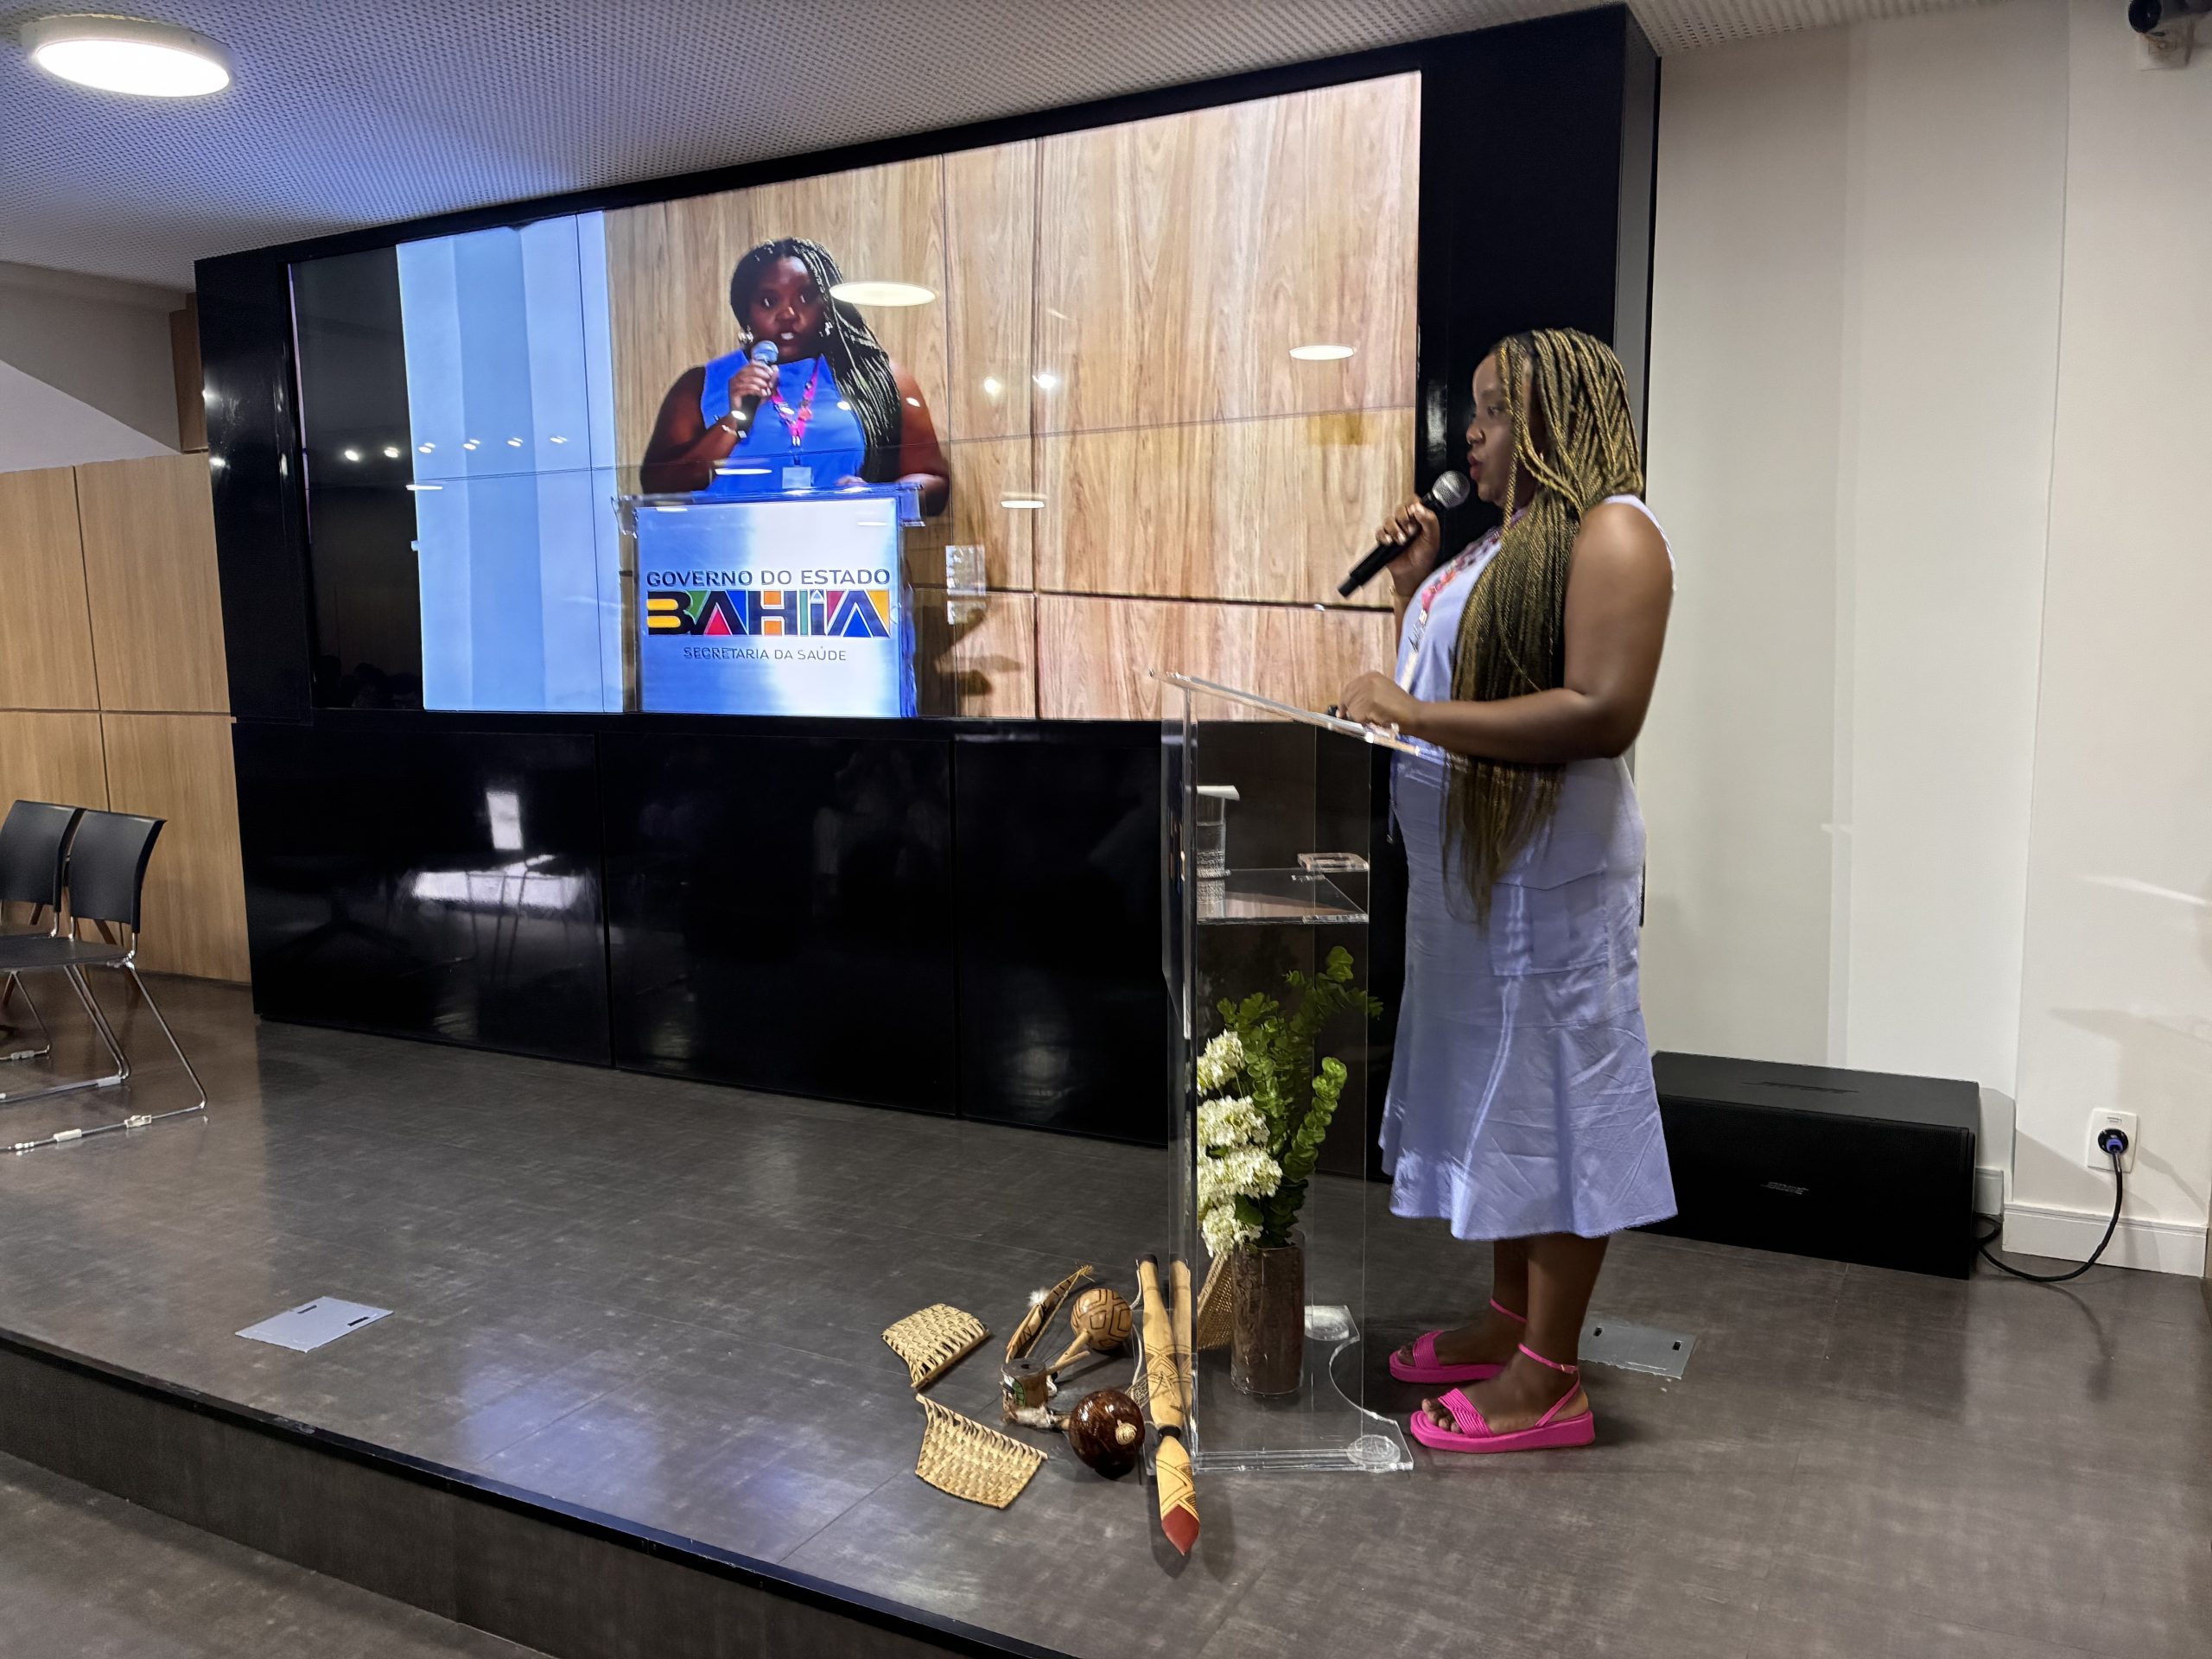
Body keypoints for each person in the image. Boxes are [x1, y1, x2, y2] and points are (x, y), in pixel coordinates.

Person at [1337, 327, 1675, 1457]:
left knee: (1556, 1107)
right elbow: (1439, 687)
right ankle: (1507, 1318)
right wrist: (1412, 583)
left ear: (1546, 414)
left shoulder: (1613, 532)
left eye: (1489, 410)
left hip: (1551, 887)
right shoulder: (1498, 549)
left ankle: (1551, 1378)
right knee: (1499, 1100)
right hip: (1474, 887)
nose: (1468, 435)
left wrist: (1414, 714)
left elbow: (1600, 711)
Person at [638, 237, 949, 512]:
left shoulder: (876, 377)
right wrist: (734, 420)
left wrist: (880, 497)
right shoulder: (701, 385)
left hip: (847, 553)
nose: (788, 314)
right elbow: (658, 487)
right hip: (728, 554)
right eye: (769, 301)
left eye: (805, 297)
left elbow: (935, 483)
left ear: (826, 305)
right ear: (746, 312)